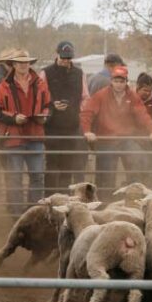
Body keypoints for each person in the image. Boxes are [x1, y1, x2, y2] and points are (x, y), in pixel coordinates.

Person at [80, 66, 152, 198]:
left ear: (126, 82)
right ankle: (104, 203)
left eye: (122, 81)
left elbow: (143, 115)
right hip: (106, 140)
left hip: (125, 139)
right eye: (116, 81)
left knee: (137, 161)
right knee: (106, 174)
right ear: (111, 81)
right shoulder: (101, 95)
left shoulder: (132, 96)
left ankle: (133, 198)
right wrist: (87, 131)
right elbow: (87, 113)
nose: (119, 84)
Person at [0, 49, 51, 215]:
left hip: (35, 135)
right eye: (19, 62)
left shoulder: (40, 83)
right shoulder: (3, 86)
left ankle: (33, 213)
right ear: (13, 65)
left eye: (26, 62)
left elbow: (48, 105)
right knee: (15, 179)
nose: (23, 65)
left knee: (37, 176)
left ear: (29, 64)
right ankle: (17, 215)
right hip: (14, 138)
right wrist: (13, 118)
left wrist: (45, 116)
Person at [40, 41, 90, 194]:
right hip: (52, 126)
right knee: (52, 165)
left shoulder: (79, 73)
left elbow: (85, 97)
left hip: (72, 126)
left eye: (68, 58)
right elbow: (40, 96)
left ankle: (64, 199)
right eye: (63, 57)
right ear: (57, 55)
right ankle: (50, 199)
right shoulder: (46, 73)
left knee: (68, 165)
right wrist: (51, 105)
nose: (66, 61)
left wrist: (76, 110)